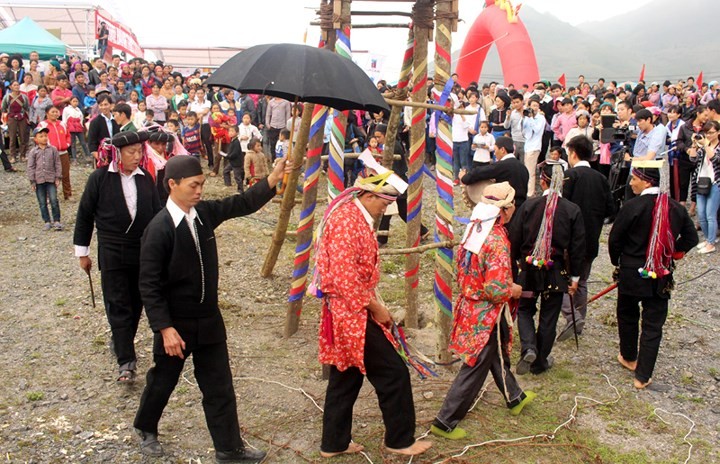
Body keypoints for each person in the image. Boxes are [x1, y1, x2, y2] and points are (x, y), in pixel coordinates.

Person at [133, 155, 291, 462]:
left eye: (202, 185)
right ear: (172, 185)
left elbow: (240, 204)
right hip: (175, 326)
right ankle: (145, 427)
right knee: (163, 381)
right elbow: (148, 286)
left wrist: (272, 178)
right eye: (193, 185)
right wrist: (164, 329)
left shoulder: (203, 214)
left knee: (219, 386)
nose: (199, 191)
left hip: (209, 321)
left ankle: (229, 448)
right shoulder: (159, 229)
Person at [310, 169, 432, 458]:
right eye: (383, 201)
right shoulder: (346, 221)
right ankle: (400, 440)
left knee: (347, 373)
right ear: (366, 194)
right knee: (393, 373)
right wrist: (377, 308)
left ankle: (334, 442)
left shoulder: (354, 217)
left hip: (349, 308)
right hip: (351, 312)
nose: (385, 207)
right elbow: (344, 277)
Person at [430, 182, 535, 440]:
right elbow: (496, 288)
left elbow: (465, 272)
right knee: (476, 364)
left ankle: (515, 397)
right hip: (487, 312)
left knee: (495, 354)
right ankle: (445, 420)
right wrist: (513, 290)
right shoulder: (497, 239)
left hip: (471, 306)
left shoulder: (474, 229)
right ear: (507, 210)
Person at [74, 131, 161, 383]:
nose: (136, 157)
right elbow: (84, 216)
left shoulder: (145, 179)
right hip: (112, 251)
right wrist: (83, 252)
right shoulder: (99, 179)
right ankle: (126, 361)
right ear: (117, 153)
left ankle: (121, 340)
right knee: (118, 304)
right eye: (131, 152)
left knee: (136, 304)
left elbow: (156, 215)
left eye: (139, 152)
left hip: (141, 252)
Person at [609, 161, 697, 389]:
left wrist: (617, 262)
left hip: (631, 271)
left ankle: (629, 356)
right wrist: (673, 252)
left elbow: (615, 239)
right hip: (661, 273)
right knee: (653, 325)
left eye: (634, 178)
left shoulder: (632, 206)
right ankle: (643, 375)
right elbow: (691, 238)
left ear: (646, 180)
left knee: (627, 315)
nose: (631, 183)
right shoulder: (676, 208)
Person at [510, 163, 585, 375]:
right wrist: (576, 277)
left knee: (525, 309)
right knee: (549, 317)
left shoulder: (529, 206)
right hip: (556, 271)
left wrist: (516, 264)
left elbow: (515, 237)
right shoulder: (572, 210)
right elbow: (578, 247)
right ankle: (540, 362)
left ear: (543, 180)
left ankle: (528, 347)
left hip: (528, 269)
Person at [556, 136, 615, 342]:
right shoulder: (601, 178)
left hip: (570, 239)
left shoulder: (569, 176)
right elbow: (610, 209)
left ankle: (572, 317)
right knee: (581, 280)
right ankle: (579, 319)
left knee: (562, 279)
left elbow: (560, 207)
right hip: (592, 237)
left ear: (573, 153)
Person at [461, 136, 530, 210]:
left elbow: (478, 172)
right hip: (522, 209)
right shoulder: (523, 168)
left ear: (502, 150)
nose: (494, 154)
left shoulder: (502, 165)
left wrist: (464, 177)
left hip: (507, 210)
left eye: (495, 150)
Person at [688, 121, 720, 254]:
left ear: (718, 132)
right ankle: (707, 239)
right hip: (701, 182)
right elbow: (692, 159)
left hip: (715, 183)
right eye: (706, 133)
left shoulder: (716, 147)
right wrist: (694, 145)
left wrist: (706, 145)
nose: (708, 135)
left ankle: (711, 243)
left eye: (711, 132)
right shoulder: (703, 147)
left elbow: (715, 159)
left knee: (710, 214)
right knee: (701, 215)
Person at [27, 126, 63, 230]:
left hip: (51, 179)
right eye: (41, 136)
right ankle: (47, 221)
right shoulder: (33, 152)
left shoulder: (53, 150)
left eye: (45, 136)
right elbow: (30, 166)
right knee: (42, 202)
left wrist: (58, 177)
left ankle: (57, 220)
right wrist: (32, 181)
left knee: (54, 200)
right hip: (39, 180)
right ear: (36, 139)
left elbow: (57, 164)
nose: (44, 138)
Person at [522, 96, 546, 196]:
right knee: (527, 169)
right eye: (533, 105)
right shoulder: (527, 117)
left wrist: (531, 118)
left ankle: (530, 193)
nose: (535, 107)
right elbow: (523, 129)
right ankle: (528, 190)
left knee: (530, 171)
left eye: (537, 105)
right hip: (527, 146)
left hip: (535, 146)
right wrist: (525, 116)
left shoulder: (541, 118)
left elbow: (537, 130)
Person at [1, 80, 30, 162]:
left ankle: (22, 155)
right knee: (12, 138)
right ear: (11, 87)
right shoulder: (7, 97)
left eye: (17, 85)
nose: (16, 87)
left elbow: (27, 107)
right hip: (11, 118)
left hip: (22, 117)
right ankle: (12, 156)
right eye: (14, 85)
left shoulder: (24, 97)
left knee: (23, 137)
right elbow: (3, 108)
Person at [88, 93, 118, 162]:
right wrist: (100, 158)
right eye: (101, 105)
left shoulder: (116, 120)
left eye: (106, 104)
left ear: (111, 105)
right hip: (102, 157)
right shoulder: (95, 122)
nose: (104, 107)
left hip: (116, 155)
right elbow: (92, 143)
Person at [62, 96, 90, 161]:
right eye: (73, 101)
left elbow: (81, 118)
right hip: (70, 128)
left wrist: (81, 126)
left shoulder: (78, 110)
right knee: (73, 144)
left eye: (76, 101)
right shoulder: (66, 109)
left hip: (78, 128)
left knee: (83, 142)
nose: (75, 103)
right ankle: (74, 158)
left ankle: (88, 155)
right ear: (70, 102)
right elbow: (64, 119)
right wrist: (65, 128)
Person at [223, 125, 244, 191]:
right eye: (229, 131)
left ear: (237, 133)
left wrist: (228, 156)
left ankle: (240, 189)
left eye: (232, 131)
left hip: (236, 163)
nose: (230, 132)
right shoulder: (232, 141)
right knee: (225, 171)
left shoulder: (236, 142)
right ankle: (228, 184)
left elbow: (235, 153)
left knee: (237, 177)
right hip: (232, 162)